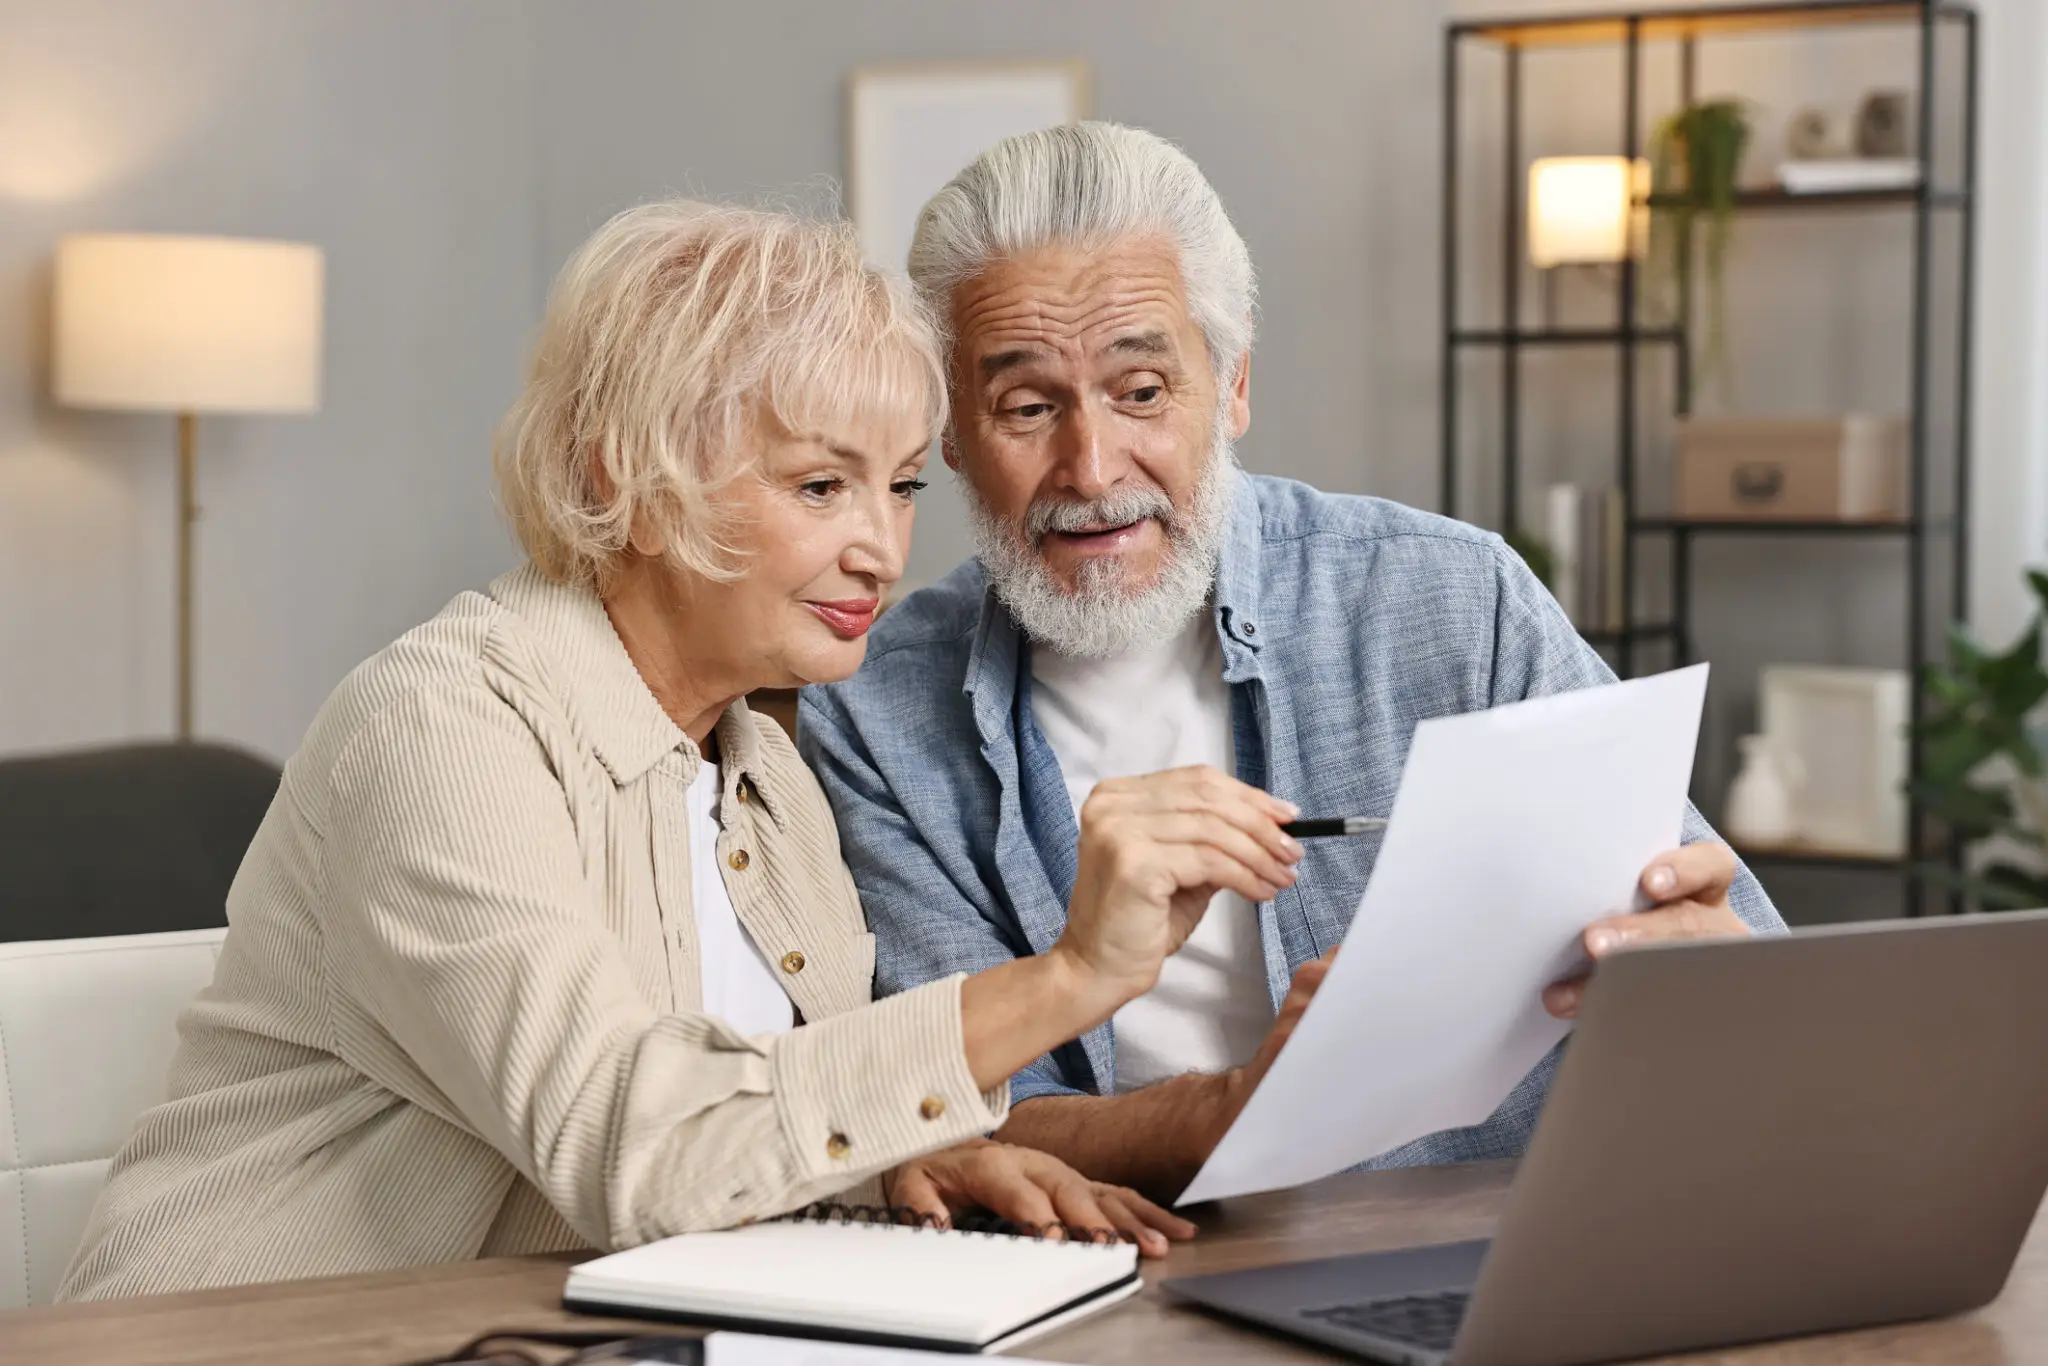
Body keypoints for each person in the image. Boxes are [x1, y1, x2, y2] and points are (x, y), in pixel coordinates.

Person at [56, 199, 1297, 1301]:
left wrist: (916, 1157)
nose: (880, 547)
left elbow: (751, 1104)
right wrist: (1072, 975)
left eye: (903, 485)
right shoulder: (442, 727)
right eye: (821, 486)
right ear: (630, 478)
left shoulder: (761, 776)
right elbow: (635, 1149)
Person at [797, 123, 1787, 1202]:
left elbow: (1743, 967)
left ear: (1230, 389)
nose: (1089, 468)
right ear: (948, 433)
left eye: (1140, 391)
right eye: (1027, 408)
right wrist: (1247, 1108)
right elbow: (973, 1123)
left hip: (1481, 1241)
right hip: (1128, 1268)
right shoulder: (872, 708)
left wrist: (1706, 972)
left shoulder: (1454, 599)